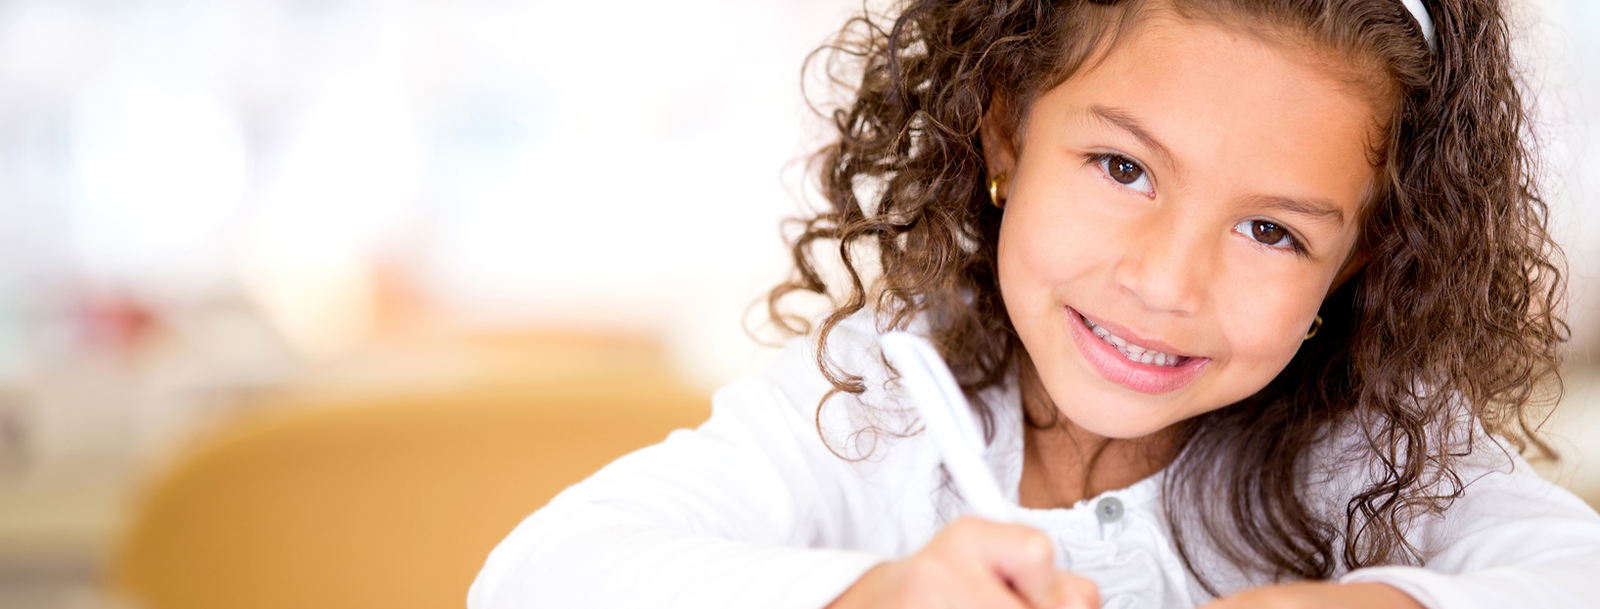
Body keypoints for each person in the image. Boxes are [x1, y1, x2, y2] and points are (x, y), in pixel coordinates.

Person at [467, 0, 1600, 607]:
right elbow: (531, 578)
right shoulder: (870, 405)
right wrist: (875, 598)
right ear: (1005, 127)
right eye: (1121, 169)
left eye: (1271, 230)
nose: (1164, 283)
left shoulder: (1378, 455)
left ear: (1360, 259)